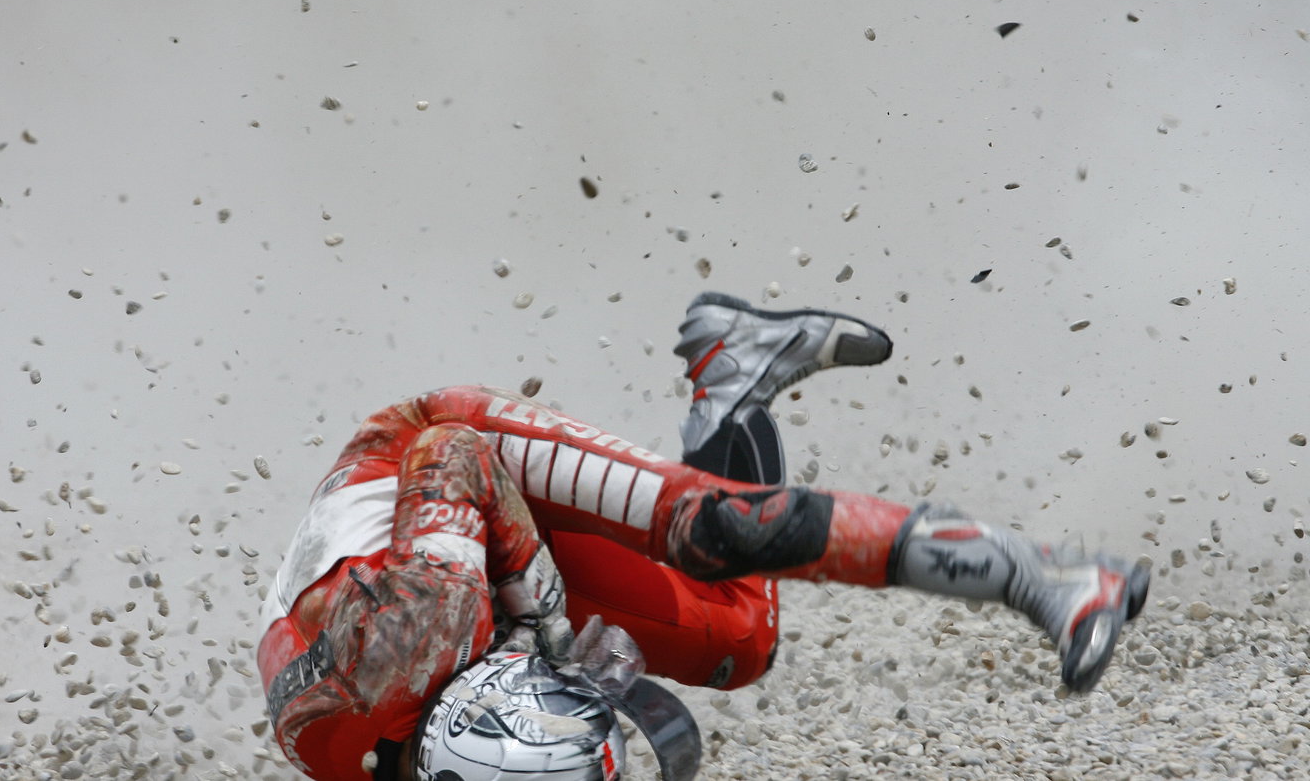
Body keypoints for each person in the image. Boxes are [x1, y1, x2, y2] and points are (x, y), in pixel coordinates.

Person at [256, 292, 1150, 781]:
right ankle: (735, 382)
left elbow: (454, 455)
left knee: (708, 526)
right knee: (741, 642)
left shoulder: (415, 638)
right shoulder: (359, 749)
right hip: (447, 603)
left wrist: (543, 621)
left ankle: (1041, 576)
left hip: (435, 463)